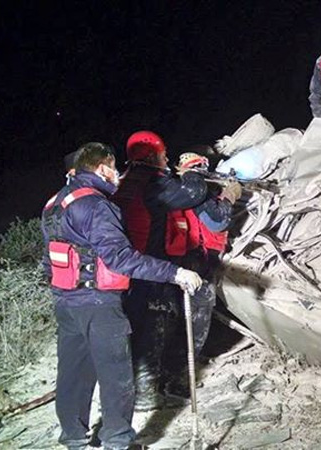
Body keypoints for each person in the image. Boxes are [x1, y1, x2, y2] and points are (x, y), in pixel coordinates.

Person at [41, 142, 203, 450]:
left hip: (66, 303)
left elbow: (48, 261)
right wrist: (174, 273)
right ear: (103, 168)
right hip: (99, 303)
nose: (117, 175)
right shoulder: (96, 205)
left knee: (73, 373)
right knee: (116, 376)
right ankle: (117, 441)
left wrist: (65, 293)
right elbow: (120, 259)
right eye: (114, 169)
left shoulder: (54, 203)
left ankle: (74, 438)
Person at [111, 130, 208, 410]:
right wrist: (191, 172)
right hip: (149, 264)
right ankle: (145, 391)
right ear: (153, 156)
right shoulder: (151, 183)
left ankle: (144, 383)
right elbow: (193, 193)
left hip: (128, 265)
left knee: (140, 322)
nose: (167, 160)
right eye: (164, 155)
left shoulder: (126, 181)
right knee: (155, 321)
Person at [159, 152, 242, 395]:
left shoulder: (170, 189)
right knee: (196, 316)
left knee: (173, 319)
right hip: (193, 262)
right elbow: (217, 221)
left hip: (167, 262)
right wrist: (229, 196)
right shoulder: (196, 191)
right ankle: (178, 376)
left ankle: (162, 374)